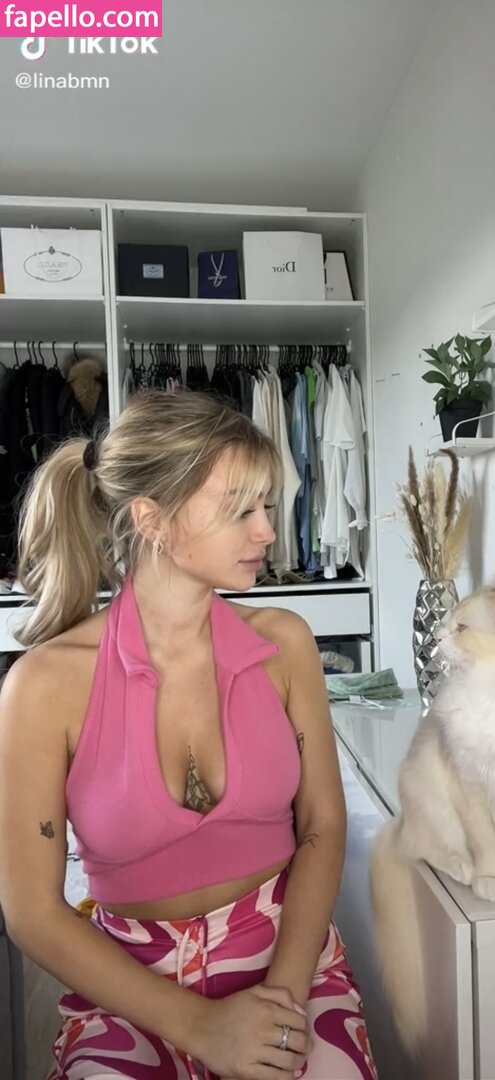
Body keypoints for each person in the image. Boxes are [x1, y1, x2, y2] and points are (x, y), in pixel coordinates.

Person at [0, 390, 378, 1080]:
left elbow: (323, 826)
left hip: (287, 957)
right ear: (152, 518)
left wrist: (282, 1001)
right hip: (128, 987)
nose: (268, 532)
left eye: (267, 506)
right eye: (240, 510)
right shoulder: (43, 685)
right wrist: (203, 1028)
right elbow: (30, 910)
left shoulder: (286, 645)